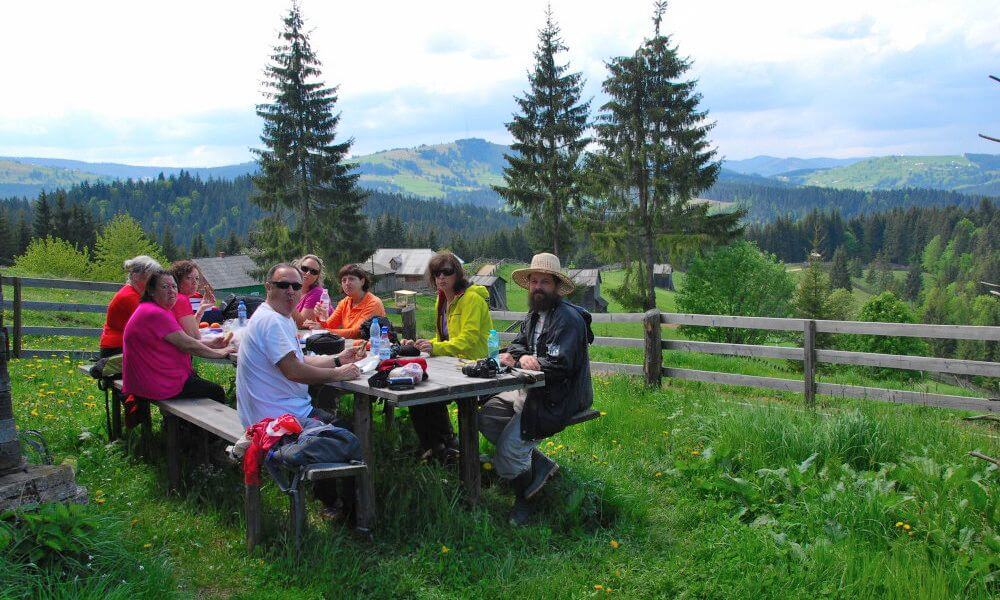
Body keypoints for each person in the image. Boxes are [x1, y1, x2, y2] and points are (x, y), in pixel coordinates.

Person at [236, 263, 367, 518]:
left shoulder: (276, 317)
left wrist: (339, 359)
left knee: (333, 423)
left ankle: (329, 500)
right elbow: (293, 371)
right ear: (268, 287)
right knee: (348, 433)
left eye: (296, 286)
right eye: (283, 285)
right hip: (276, 420)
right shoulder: (272, 322)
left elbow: (300, 361)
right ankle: (348, 512)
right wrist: (337, 374)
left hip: (271, 412)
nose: (291, 291)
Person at [481, 252, 594, 526]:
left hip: (561, 397)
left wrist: (537, 362)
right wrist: (518, 357)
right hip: (533, 391)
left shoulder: (568, 320)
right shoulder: (534, 315)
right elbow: (519, 345)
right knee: (486, 415)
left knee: (506, 454)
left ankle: (525, 500)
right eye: (534, 281)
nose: (538, 287)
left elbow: (562, 365)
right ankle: (539, 465)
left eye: (545, 282)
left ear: (556, 286)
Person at [406, 251, 493, 462]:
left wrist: (435, 348)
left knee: (427, 393)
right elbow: (442, 338)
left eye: (447, 272)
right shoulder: (442, 300)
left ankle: (448, 445)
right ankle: (436, 448)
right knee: (415, 389)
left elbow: (468, 340)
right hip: (452, 364)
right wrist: (423, 346)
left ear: (458, 274)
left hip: (475, 365)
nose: (441, 277)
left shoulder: (472, 299)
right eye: (436, 273)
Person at [121, 270, 236, 405]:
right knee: (216, 391)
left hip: (145, 378)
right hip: (157, 382)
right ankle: (195, 426)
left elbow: (180, 339)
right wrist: (219, 353)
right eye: (165, 287)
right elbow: (187, 344)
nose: (171, 291)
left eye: (174, 286)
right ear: (151, 291)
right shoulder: (156, 313)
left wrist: (211, 344)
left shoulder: (152, 308)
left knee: (198, 381)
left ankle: (184, 425)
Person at [99, 255, 162, 357]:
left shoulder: (137, 294)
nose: (154, 283)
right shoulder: (129, 296)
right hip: (118, 349)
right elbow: (151, 326)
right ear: (135, 276)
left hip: (123, 345)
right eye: (150, 278)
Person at [305, 263, 386, 339]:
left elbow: (357, 332)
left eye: (351, 279)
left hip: (371, 349)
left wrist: (324, 331)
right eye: (344, 280)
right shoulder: (344, 302)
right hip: (350, 346)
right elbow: (329, 325)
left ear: (362, 281)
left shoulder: (373, 303)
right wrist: (320, 317)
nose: (347, 283)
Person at [169, 260, 216, 339]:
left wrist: (201, 309)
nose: (194, 282)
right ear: (177, 281)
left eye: (197, 278)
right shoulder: (180, 299)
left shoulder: (175, 297)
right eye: (189, 278)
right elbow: (194, 337)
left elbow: (190, 330)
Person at [291, 254, 327, 327]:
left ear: (317, 276)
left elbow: (302, 324)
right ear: (298, 268)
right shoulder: (293, 290)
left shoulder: (318, 293)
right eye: (304, 268)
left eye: (314, 272)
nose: (308, 273)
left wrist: (286, 300)